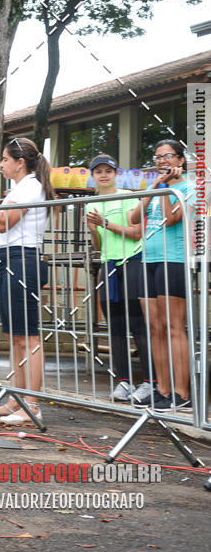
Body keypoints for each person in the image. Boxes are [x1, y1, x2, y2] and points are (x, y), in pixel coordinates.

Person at [0, 138, 52, 426]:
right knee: (14, 337)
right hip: (10, 258)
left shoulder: (30, 186)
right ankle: (16, 399)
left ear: (20, 162)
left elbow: (3, 222)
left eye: (5, 159)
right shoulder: (19, 187)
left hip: (23, 260)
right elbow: (1, 221)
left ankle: (32, 404)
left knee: (27, 337)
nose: (0, 164)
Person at [85, 155, 154, 404]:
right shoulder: (91, 203)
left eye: (108, 171)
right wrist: (95, 230)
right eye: (98, 171)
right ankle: (124, 381)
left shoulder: (127, 196)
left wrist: (105, 223)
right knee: (114, 327)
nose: (103, 175)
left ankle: (149, 382)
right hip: (108, 265)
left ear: (116, 174)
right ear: (93, 175)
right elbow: (99, 244)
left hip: (132, 262)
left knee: (137, 325)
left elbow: (136, 234)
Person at [130, 140, 194, 411]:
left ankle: (182, 393)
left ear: (180, 160)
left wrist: (167, 189)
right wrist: (154, 189)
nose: (161, 161)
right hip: (150, 258)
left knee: (173, 327)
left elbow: (171, 219)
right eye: (157, 157)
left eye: (168, 156)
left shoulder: (189, 187)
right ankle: (162, 388)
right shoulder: (156, 187)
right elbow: (135, 218)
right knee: (154, 327)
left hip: (174, 258)